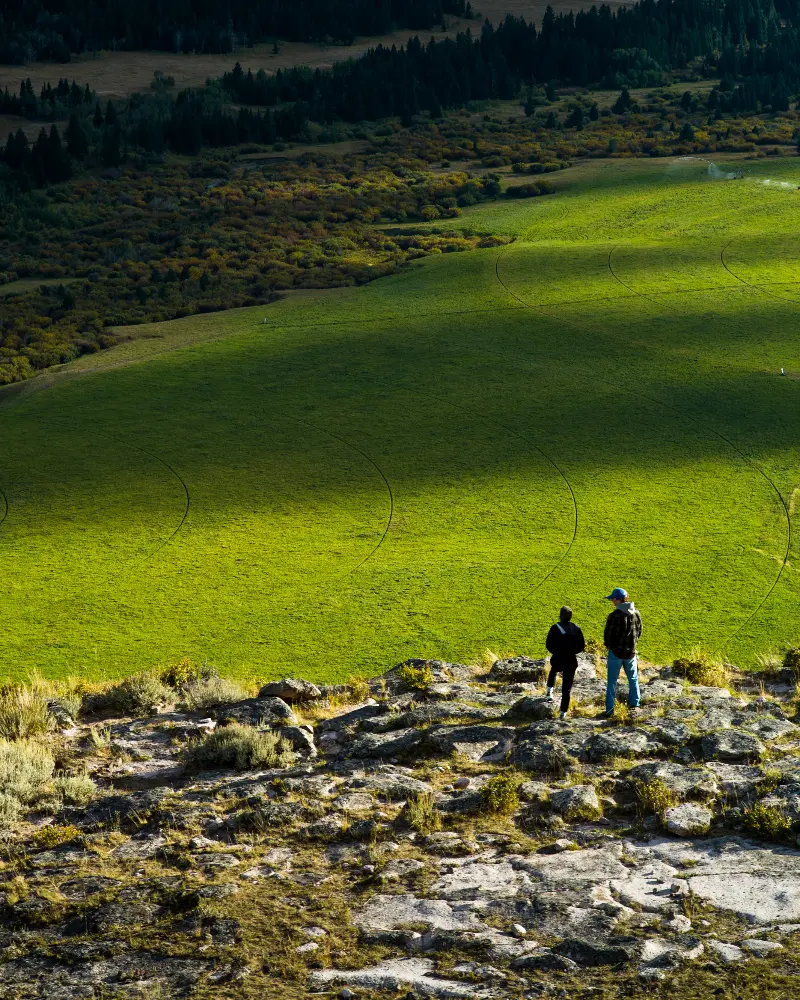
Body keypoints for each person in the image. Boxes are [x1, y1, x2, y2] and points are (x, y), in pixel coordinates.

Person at [602, 587, 642, 717]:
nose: (612, 601)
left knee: (612, 681)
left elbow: (608, 635)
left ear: (618, 599)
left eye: (613, 599)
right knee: (633, 679)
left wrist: (610, 646)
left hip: (616, 654)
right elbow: (639, 631)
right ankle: (635, 704)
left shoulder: (614, 616)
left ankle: (609, 710)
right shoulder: (636, 613)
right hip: (631, 653)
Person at [545, 605, 585, 719]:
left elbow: (548, 644)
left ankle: (549, 691)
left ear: (560, 615)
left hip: (558, 657)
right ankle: (563, 713)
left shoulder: (555, 628)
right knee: (566, 689)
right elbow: (581, 646)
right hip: (571, 660)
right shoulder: (576, 628)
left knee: (553, 670)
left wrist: (556, 652)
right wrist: (572, 651)